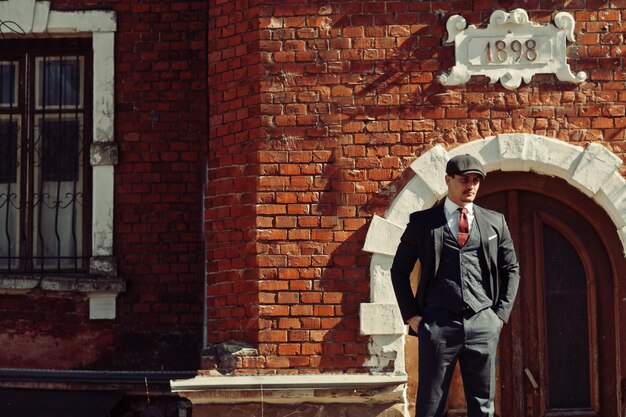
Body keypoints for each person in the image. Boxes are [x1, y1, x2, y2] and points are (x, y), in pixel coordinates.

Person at [391, 154, 520, 417]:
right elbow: (399, 270)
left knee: (483, 406)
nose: (470, 186)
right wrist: (413, 317)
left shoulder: (495, 222)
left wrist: (499, 317)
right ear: (448, 180)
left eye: (476, 181)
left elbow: (511, 269)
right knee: (430, 406)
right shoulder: (423, 223)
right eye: (464, 180)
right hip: (438, 324)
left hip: (482, 322)